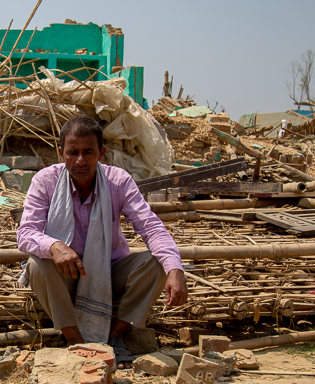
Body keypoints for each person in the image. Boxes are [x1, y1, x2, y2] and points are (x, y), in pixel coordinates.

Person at [17, 116, 187, 363]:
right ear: (60, 152)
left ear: (102, 153)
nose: (80, 160)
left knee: (157, 262)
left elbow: (151, 227)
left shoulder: (118, 181)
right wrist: (54, 245)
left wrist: (175, 269)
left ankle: (116, 335)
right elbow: (26, 233)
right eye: (72, 152)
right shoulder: (46, 180)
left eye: (88, 152)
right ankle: (75, 340)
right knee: (36, 264)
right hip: (65, 274)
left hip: (109, 271)